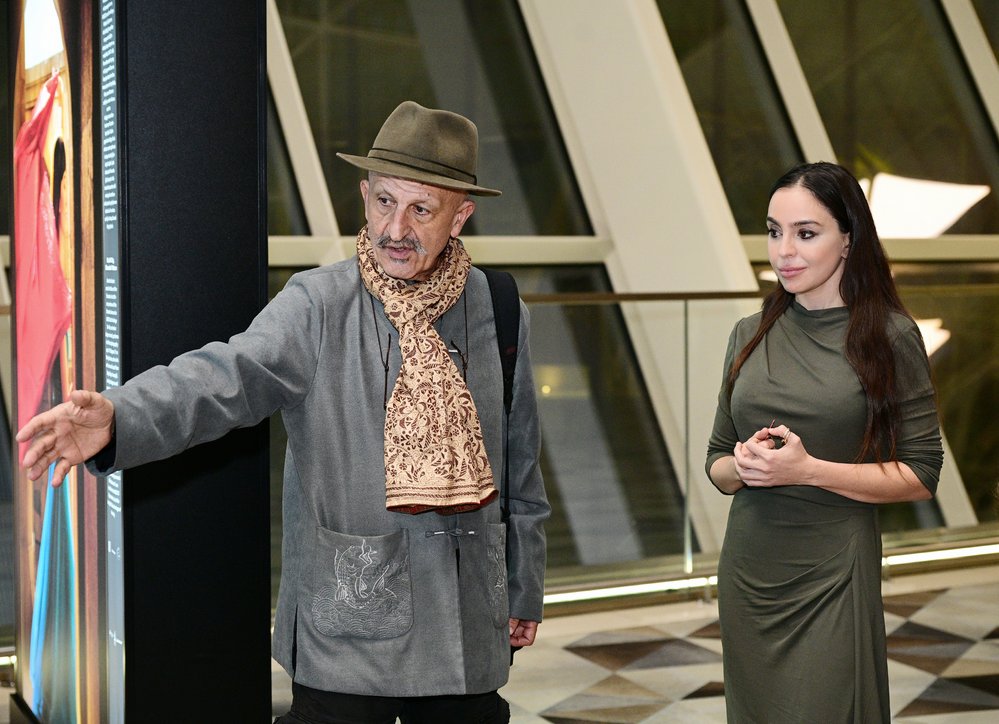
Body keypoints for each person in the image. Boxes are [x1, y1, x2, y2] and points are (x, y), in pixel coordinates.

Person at [18, 101, 550, 723]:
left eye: (421, 210)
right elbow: (224, 376)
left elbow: (521, 467)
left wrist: (525, 586)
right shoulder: (318, 304)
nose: (395, 228)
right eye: (384, 201)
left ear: (460, 216)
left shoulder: (499, 309)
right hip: (353, 632)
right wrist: (120, 416)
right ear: (364, 195)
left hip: (467, 630)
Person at [705, 161, 943, 722]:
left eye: (806, 233)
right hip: (749, 572)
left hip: (835, 573)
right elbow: (716, 461)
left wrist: (806, 469)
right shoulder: (748, 332)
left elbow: (921, 473)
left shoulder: (890, 336)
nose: (784, 251)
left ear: (848, 240)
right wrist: (744, 465)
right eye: (774, 232)